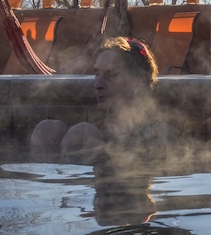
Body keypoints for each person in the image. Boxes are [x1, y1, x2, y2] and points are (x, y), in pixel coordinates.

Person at [31, 36, 165, 162]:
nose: (98, 84)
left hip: (116, 183)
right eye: (96, 74)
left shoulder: (153, 134)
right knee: (47, 129)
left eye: (111, 75)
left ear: (138, 82)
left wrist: (102, 155)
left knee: (82, 134)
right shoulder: (96, 129)